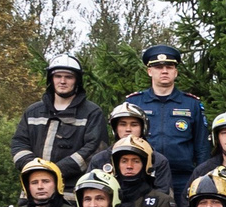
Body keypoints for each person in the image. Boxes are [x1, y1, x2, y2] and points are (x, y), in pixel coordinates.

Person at [12, 55, 111, 185]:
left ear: (77, 80)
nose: (62, 81)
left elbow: (95, 150)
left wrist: (56, 171)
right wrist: (35, 168)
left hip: (71, 193)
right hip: (34, 192)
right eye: (58, 76)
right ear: (51, 79)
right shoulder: (33, 112)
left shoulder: (91, 113)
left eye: (68, 77)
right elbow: (19, 143)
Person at [129, 43, 207, 185]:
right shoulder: (135, 103)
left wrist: (200, 177)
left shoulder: (191, 104)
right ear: (149, 71)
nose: (164, 71)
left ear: (175, 72)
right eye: (159, 67)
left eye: (169, 67)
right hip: (144, 177)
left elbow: (202, 146)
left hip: (183, 178)